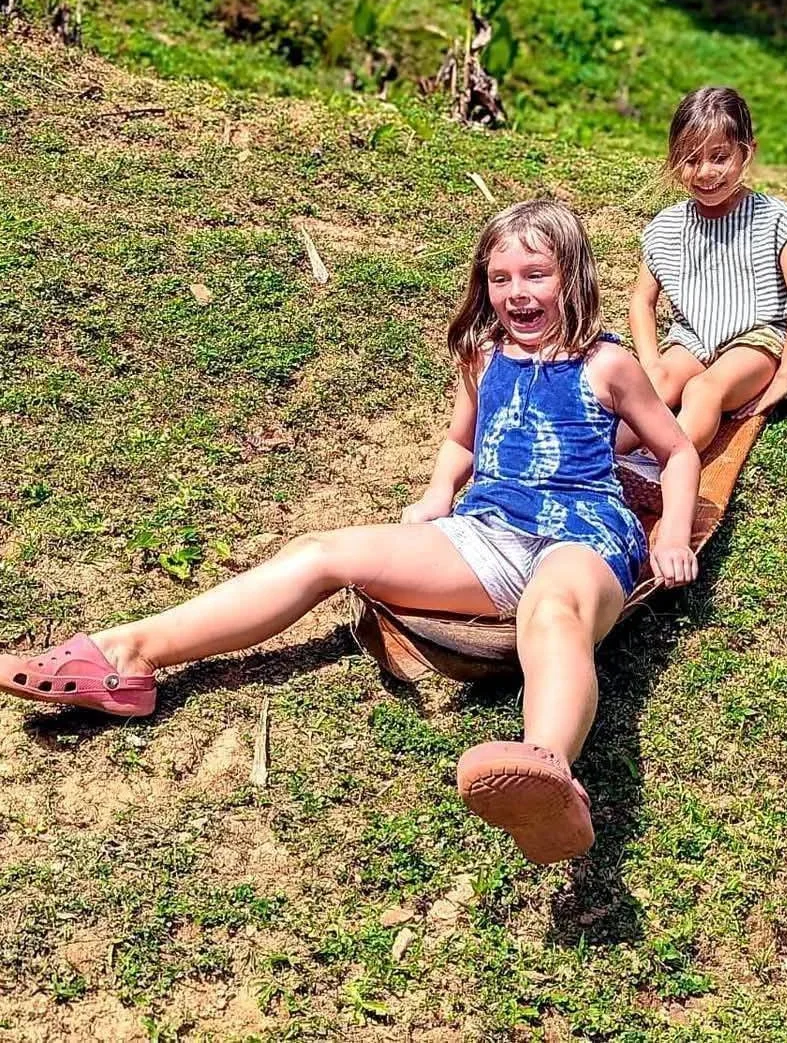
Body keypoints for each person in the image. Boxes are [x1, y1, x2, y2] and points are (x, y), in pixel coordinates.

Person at [0, 201, 700, 867]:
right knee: (320, 551)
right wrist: (435, 494)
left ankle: (545, 770)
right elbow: (462, 441)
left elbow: (677, 452)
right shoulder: (483, 355)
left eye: (536, 275)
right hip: (487, 530)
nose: (517, 292)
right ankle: (128, 655)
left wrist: (670, 529)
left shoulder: (605, 364)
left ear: (572, 277)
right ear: (484, 285)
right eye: (500, 277)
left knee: (554, 609)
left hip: (579, 534)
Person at [617, 86, 787, 480]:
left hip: (758, 338)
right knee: (655, 384)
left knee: (703, 390)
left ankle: (659, 468)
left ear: (747, 152)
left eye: (720, 157)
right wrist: (650, 363)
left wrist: (785, 375)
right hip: (693, 336)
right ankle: (593, 463)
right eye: (691, 160)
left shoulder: (772, 219)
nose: (705, 172)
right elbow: (642, 301)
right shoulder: (667, 227)